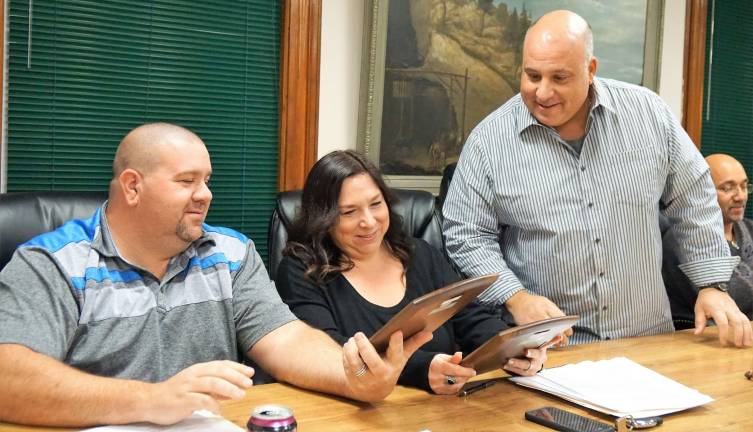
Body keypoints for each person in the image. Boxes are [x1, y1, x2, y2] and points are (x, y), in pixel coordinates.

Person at [0, 123, 432, 428]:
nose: (205, 195)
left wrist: (354, 377)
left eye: (207, 180)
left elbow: (285, 338)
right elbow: (8, 378)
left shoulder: (228, 254)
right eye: (187, 181)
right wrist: (151, 400)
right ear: (132, 187)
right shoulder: (53, 263)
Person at [442, 10, 753, 347]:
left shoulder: (648, 114)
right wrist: (515, 297)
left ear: (590, 70)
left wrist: (711, 284)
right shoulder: (489, 141)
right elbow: (467, 234)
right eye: (532, 76)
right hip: (548, 352)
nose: (543, 93)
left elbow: (693, 195)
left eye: (559, 78)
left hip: (646, 343)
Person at [275, 150, 552, 395]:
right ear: (322, 217)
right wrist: (421, 370)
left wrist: (515, 348)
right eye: (349, 212)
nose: (368, 222)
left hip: (446, 409)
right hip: (357, 414)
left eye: (376, 204)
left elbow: (470, 317)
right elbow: (330, 353)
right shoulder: (302, 270)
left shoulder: (420, 254)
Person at [664, 154, 753, 324]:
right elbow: (729, 299)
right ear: (702, 193)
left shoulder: (749, 228)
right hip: (699, 340)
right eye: (727, 188)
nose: (740, 196)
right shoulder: (682, 240)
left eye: (744, 186)